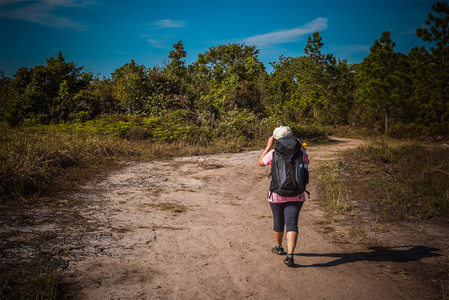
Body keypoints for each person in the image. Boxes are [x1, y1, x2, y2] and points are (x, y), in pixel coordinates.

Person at [258, 126, 309, 267]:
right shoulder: (301, 153)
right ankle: (290, 255)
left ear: (276, 139)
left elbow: (260, 162)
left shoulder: (274, 153)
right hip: (297, 194)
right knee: (292, 223)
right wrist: (303, 152)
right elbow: (306, 164)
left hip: (277, 194)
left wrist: (268, 146)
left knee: (278, 221)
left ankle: (279, 247)